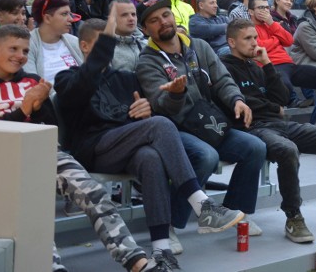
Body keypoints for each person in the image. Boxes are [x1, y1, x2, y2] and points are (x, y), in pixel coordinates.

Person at [55, 13, 244, 269]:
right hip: (94, 149)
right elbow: (78, 92)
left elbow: (151, 115)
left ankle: (161, 250)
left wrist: (146, 110)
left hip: (127, 146)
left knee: (151, 157)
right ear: (85, 46)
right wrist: (151, 120)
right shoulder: (67, 78)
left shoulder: (126, 77)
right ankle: (202, 204)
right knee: (160, 125)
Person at [0, 25, 163, 272]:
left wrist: (39, 105)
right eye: (13, 49)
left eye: (25, 50)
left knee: (93, 192)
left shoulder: (33, 82)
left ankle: (135, 260)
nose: (20, 56)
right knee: (31, 201)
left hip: (42, 153)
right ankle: (50, 267)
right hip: (2, 159)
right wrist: (24, 109)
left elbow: (50, 129)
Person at [222, 19, 316, 243]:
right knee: (288, 150)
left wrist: (268, 64)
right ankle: (294, 216)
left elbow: (283, 97)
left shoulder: (256, 65)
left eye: (255, 37)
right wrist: (273, 107)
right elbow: (249, 105)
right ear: (232, 42)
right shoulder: (223, 68)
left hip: (281, 125)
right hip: (254, 130)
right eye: (248, 39)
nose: (254, 43)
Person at [136, 0, 267, 240]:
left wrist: (237, 100)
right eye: (154, 20)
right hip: (174, 130)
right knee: (207, 156)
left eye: (166, 15)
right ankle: (168, 224)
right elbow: (160, 105)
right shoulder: (147, 61)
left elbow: (222, 79)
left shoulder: (199, 46)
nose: (163, 21)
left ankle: (233, 212)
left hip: (207, 123)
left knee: (255, 147)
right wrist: (176, 95)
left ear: (174, 18)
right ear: (145, 30)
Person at [27, 0, 82, 81]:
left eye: (70, 14)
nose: (71, 19)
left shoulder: (74, 41)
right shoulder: (26, 45)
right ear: (47, 18)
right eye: (64, 14)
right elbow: (31, 84)